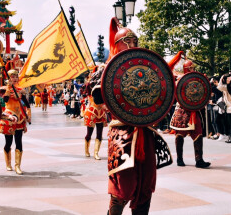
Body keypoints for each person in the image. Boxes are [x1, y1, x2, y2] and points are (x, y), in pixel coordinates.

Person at [105, 18, 171, 214]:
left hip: (146, 130)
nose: (133, 46)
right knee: (122, 187)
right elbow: (96, 96)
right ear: (119, 44)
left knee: (145, 186)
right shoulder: (106, 70)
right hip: (121, 134)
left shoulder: (146, 67)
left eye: (134, 42)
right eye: (128, 42)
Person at [170, 54, 211, 168]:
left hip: (194, 110)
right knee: (179, 135)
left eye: (194, 68)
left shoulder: (197, 79)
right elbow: (176, 95)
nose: (194, 70)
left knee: (198, 134)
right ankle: (179, 159)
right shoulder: (179, 81)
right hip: (182, 110)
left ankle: (199, 160)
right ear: (187, 69)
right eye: (191, 68)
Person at [0, 68, 31, 175]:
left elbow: (27, 103)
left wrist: (28, 114)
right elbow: (5, 100)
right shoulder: (5, 89)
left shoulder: (21, 90)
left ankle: (18, 166)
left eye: (16, 76)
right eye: (12, 77)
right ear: (9, 78)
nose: (15, 78)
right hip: (9, 117)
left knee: (19, 141)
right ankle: (8, 164)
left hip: (20, 117)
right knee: (8, 142)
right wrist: (8, 88)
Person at [82, 66, 107, 160]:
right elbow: (90, 96)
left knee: (99, 134)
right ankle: (86, 150)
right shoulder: (90, 85)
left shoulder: (105, 85)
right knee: (89, 133)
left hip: (101, 112)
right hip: (92, 110)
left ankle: (96, 153)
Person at [217, 74, 231, 143]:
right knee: (230, 123)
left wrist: (221, 78)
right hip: (228, 107)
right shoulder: (226, 86)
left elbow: (219, 86)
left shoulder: (229, 86)